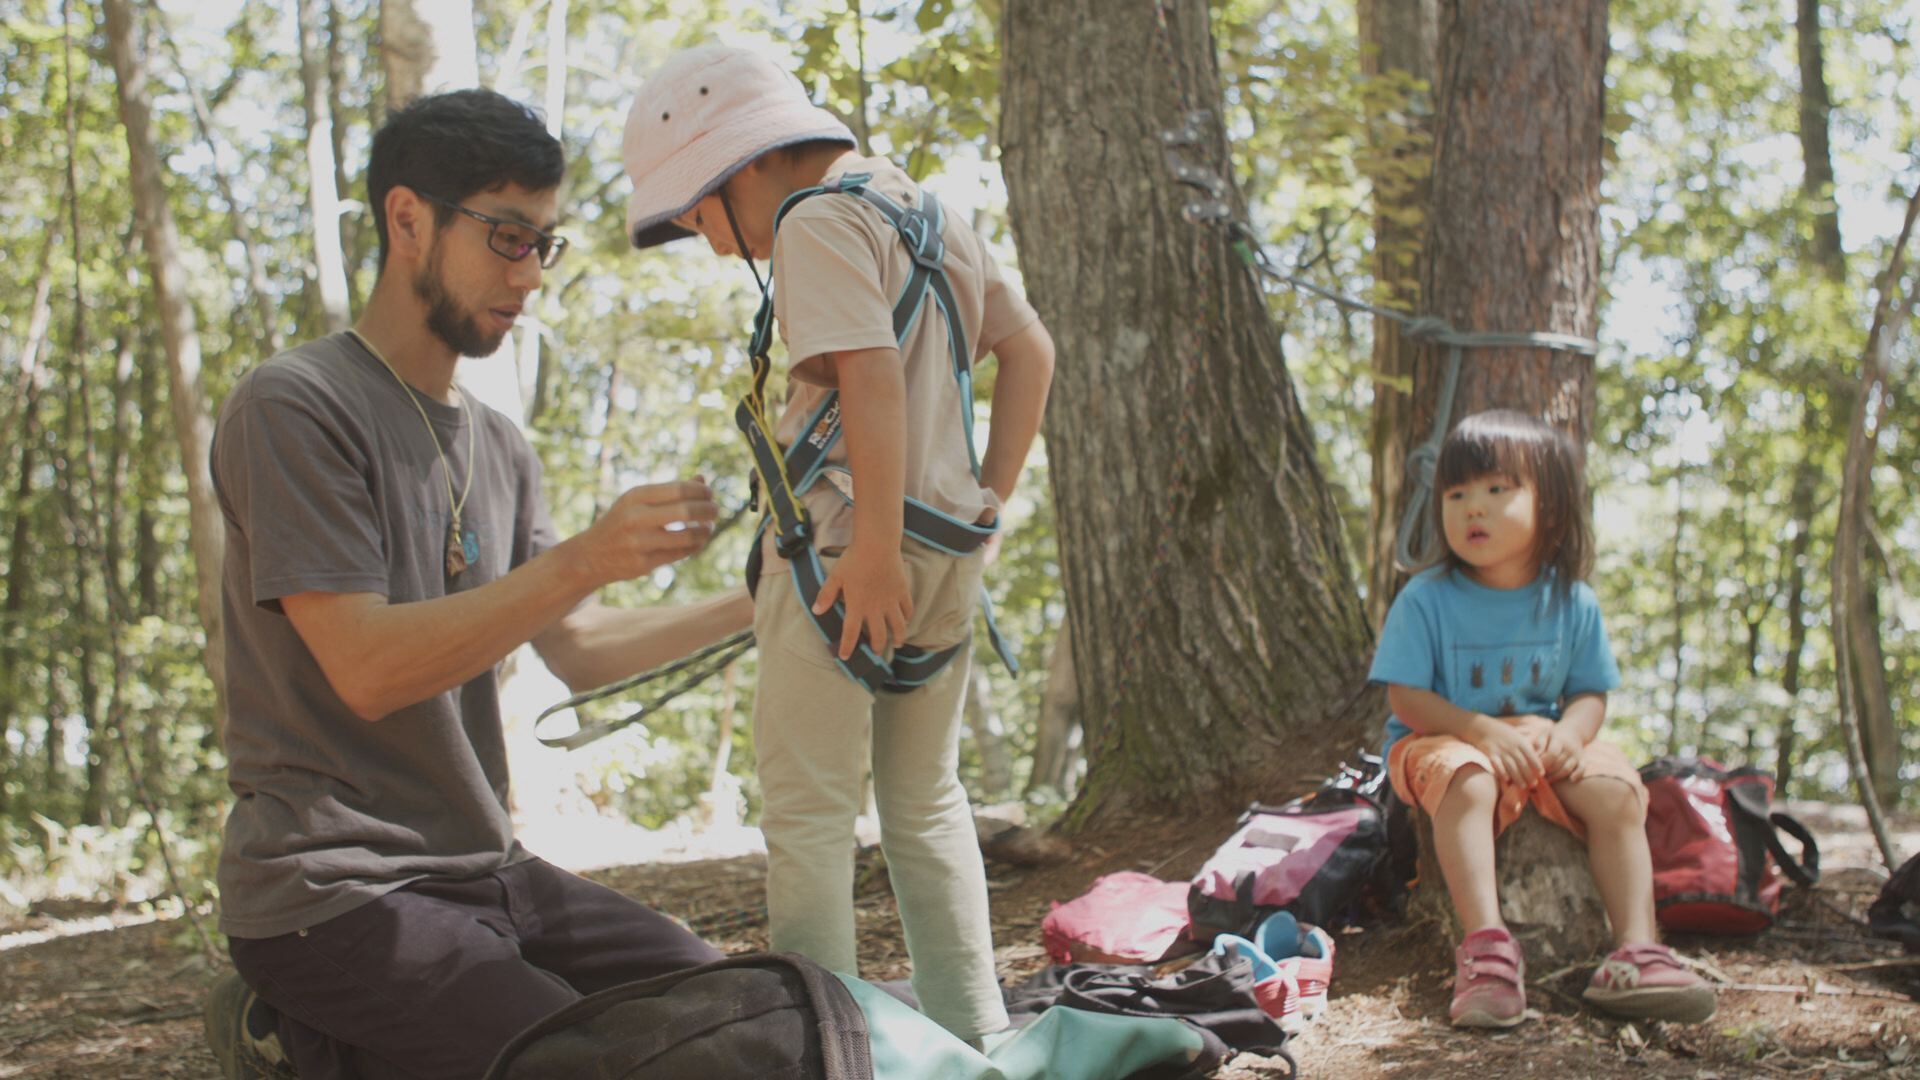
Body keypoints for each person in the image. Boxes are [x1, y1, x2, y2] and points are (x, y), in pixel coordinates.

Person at [204, 88, 751, 1080]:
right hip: (332, 892)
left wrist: (763, 602)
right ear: (408, 219)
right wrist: (581, 557)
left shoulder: (500, 444)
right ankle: (292, 1031)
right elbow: (366, 668)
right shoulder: (294, 405)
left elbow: (576, 648)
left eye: (546, 243)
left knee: (729, 1012)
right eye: (508, 236)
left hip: (488, 870)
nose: (531, 273)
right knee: (603, 1064)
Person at [619, 44, 1056, 1042]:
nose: (716, 247)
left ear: (738, 172)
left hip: (845, 555)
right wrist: (988, 499)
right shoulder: (924, 210)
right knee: (927, 805)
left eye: (698, 218)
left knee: (809, 815)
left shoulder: (815, 224)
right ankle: (976, 1029)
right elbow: (1032, 350)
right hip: (949, 557)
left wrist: (870, 550)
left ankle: (826, 1046)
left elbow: (864, 381)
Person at [1370, 409, 1715, 1028]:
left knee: (1614, 790)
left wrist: (1569, 734)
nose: (1472, 508)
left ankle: (1637, 951)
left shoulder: (1572, 601)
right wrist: (1480, 730)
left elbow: (1590, 694)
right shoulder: (1426, 599)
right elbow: (1406, 699)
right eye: (1456, 494)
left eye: (1496, 490)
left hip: (1542, 745)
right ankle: (1487, 952)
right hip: (1441, 741)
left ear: (1550, 506)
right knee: (1469, 779)